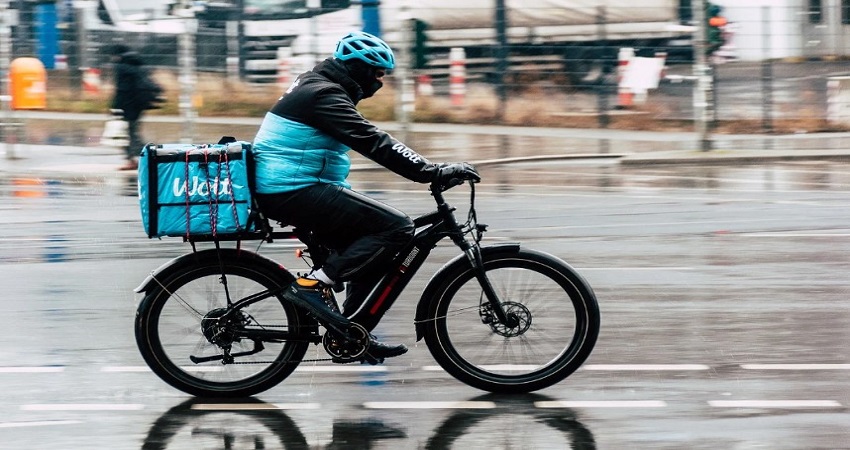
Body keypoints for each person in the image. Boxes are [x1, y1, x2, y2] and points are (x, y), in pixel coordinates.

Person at [251, 31, 479, 362]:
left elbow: (369, 139)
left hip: (294, 186)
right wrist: (431, 171)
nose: (380, 82)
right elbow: (372, 141)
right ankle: (313, 285)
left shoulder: (320, 86)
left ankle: (351, 331)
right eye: (377, 73)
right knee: (397, 227)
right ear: (356, 67)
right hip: (291, 189)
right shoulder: (323, 95)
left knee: (375, 248)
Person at [110, 44, 163, 171]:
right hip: (140, 105)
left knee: (126, 134)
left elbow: (121, 90)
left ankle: (151, 157)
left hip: (127, 106)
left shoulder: (120, 68)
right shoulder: (138, 65)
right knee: (132, 133)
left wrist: (115, 107)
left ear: (117, 55)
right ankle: (140, 158)